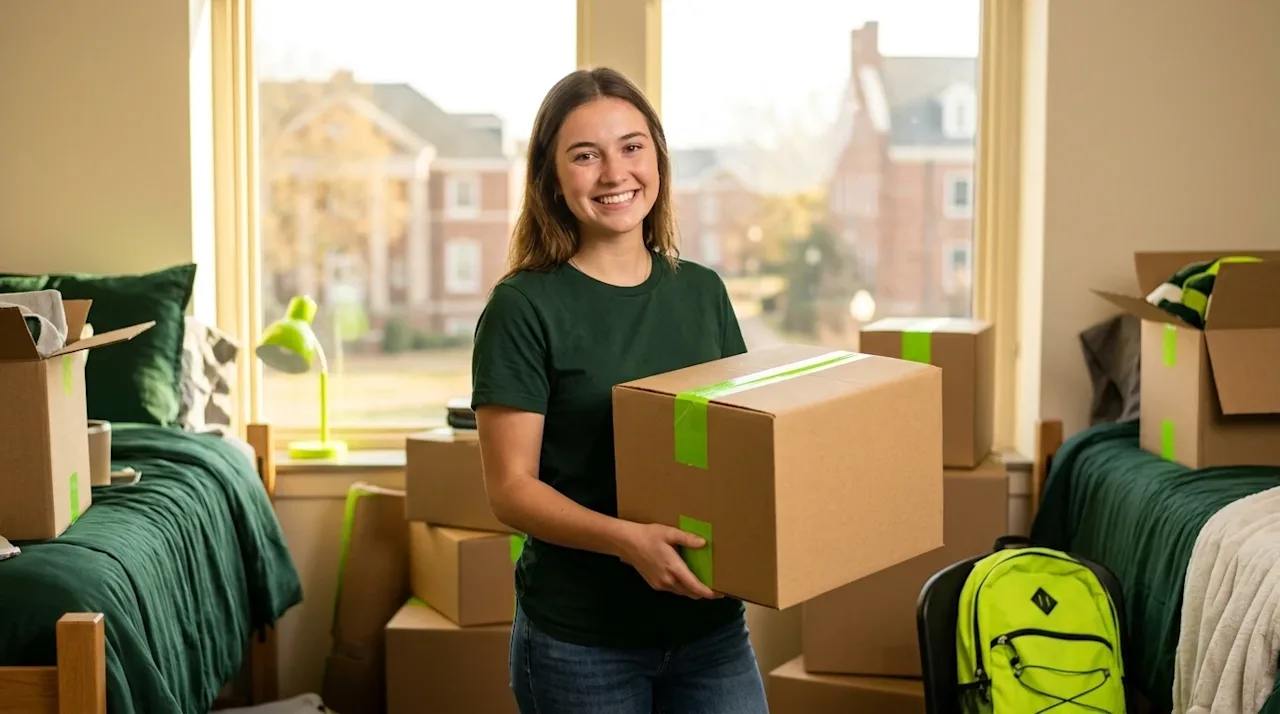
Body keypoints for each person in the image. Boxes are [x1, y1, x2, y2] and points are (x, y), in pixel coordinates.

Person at [470, 66, 770, 714]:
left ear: (657, 160)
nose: (614, 174)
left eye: (632, 147)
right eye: (586, 155)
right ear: (552, 178)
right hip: (583, 643)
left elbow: (737, 446)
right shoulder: (523, 308)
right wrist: (628, 542)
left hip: (711, 630)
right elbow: (510, 491)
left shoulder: (702, 292)